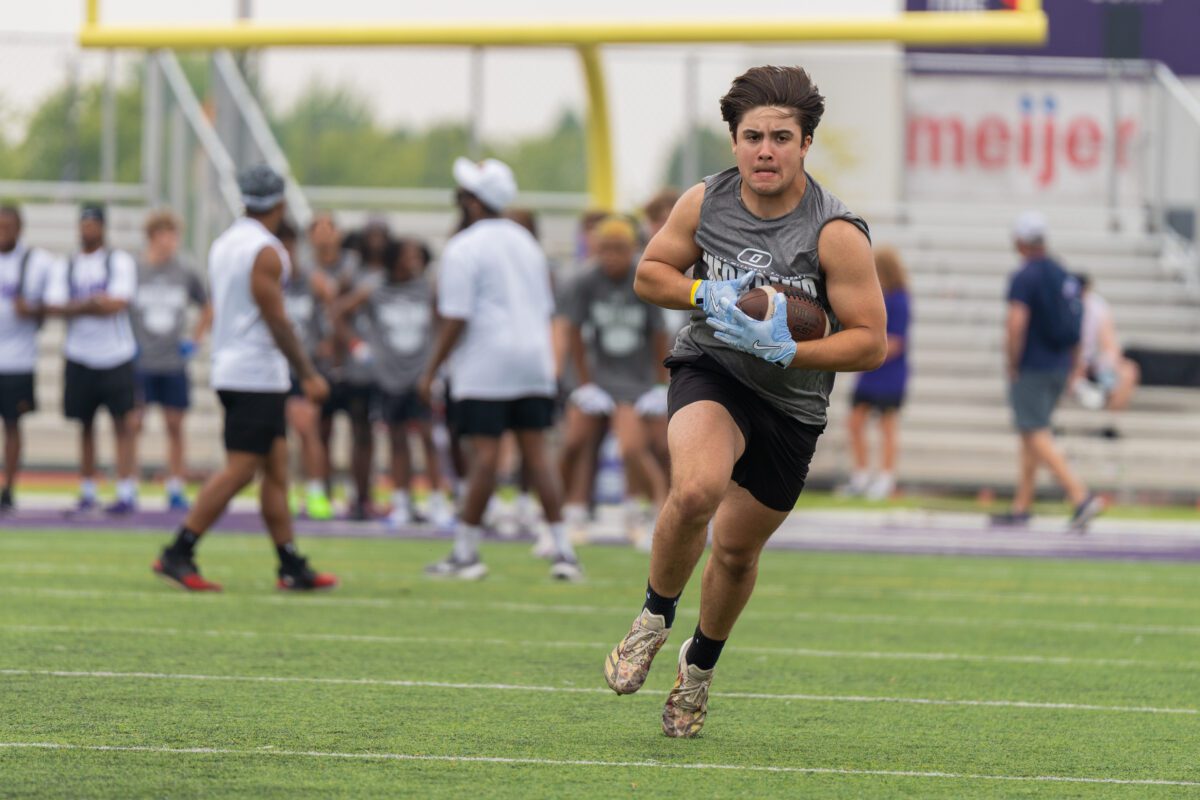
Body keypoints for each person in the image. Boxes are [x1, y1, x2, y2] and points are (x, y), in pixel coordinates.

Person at [602, 65, 887, 738]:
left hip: (791, 403)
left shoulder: (835, 231)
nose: (766, 150)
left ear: (805, 144)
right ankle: (651, 616)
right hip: (715, 368)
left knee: (733, 551)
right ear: (733, 141)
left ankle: (698, 667)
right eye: (753, 136)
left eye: (782, 137)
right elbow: (651, 273)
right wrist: (706, 295)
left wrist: (790, 351)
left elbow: (871, 343)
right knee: (696, 489)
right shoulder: (705, 202)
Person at [151, 165, 337, 592]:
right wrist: (307, 373)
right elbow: (275, 317)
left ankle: (289, 564)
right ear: (279, 202)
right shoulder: (267, 250)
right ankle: (178, 551)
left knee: (275, 469)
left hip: (237, 367)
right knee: (240, 469)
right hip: (254, 372)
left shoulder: (225, 243)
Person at [416, 157, 581, 581]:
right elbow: (544, 304)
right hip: (533, 360)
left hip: (486, 364)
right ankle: (563, 551)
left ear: (473, 203)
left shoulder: (464, 247)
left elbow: (456, 316)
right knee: (537, 454)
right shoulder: (526, 243)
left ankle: (467, 553)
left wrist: (431, 369)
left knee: (485, 457)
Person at [558, 216, 670, 546]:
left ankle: (648, 511)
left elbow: (659, 333)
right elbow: (574, 331)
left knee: (634, 446)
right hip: (598, 377)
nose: (612, 257)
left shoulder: (644, 276)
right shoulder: (585, 280)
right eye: (605, 249)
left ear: (632, 249)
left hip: (635, 381)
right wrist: (584, 383)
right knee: (575, 440)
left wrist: (659, 383)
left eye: (619, 249)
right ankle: (569, 512)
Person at [991, 211, 1105, 530]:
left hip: (1033, 365)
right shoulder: (1063, 274)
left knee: (1035, 432)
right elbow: (1077, 322)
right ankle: (1021, 506)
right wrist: (1074, 366)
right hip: (1059, 364)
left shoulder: (1024, 276)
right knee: (1032, 432)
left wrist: (1012, 362)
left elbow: (1016, 323)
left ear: (1020, 242)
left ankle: (1080, 496)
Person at [335, 237, 454, 528]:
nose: (414, 261)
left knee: (427, 438)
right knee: (397, 439)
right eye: (408, 255)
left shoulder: (427, 288)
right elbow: (339, 312)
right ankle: (402, 501)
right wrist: (357, 346)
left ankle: (437, 501)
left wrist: (438, 365)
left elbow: (444, 322)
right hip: (389, 376)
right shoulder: (375, 288)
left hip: (421, 375)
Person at [43, 205, 141, 514]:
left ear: (102, 227)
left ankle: (125, 489)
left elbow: (118, 303)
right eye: (83, 224)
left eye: (92, 224)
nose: (87, 229)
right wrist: (93, 303)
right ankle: (88, 487)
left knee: (122, 424)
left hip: (115, 354)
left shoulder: (118, 261)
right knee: (84, 424)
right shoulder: (67, 264)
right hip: (80, 354)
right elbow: (54, 306)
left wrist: (81, 305)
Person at [128, 210, 212, 511]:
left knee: (175, 424)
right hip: (142, 360)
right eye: (166, 234)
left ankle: (176, 484)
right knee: (134, 423)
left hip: (173, 362)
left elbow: (207, 306)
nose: (171, 241)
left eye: (174, 235)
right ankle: (130, 484)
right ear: (152, 237)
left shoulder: (185, 271)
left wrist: (194, 340)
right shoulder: (135, 270)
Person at [843, 246, 911, 501]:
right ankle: (860, 476)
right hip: (870, 372)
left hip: (890, 373)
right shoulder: (876, 296)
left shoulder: (900, 299)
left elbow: (896, 340)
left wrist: (867, 349)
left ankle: (885, 478)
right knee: (855, 423)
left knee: (887, 426)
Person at [0, 205, 55, 513]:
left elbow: (53, 308)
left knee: (12, 425)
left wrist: (31, 310)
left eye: (7, 227)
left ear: (19, 229)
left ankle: (9, 486)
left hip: (18, 360)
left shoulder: (36, 262)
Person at [278, 220, 334, 520]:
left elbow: (328, 316)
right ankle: (282, 491)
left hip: (303, 365)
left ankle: (314, 492)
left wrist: (326, 345)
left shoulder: (311, 281)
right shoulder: (269, 281)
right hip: (275, 366)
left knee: (307, 428)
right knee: (277, 435)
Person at [1071, 273, 1139, 412]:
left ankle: (1109, 423)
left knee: (1128, 372)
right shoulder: (1062, 306)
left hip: (1091, 363)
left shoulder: (1097, 307)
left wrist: (1103, 363)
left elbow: (1109, 343)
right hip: (1066, 364)